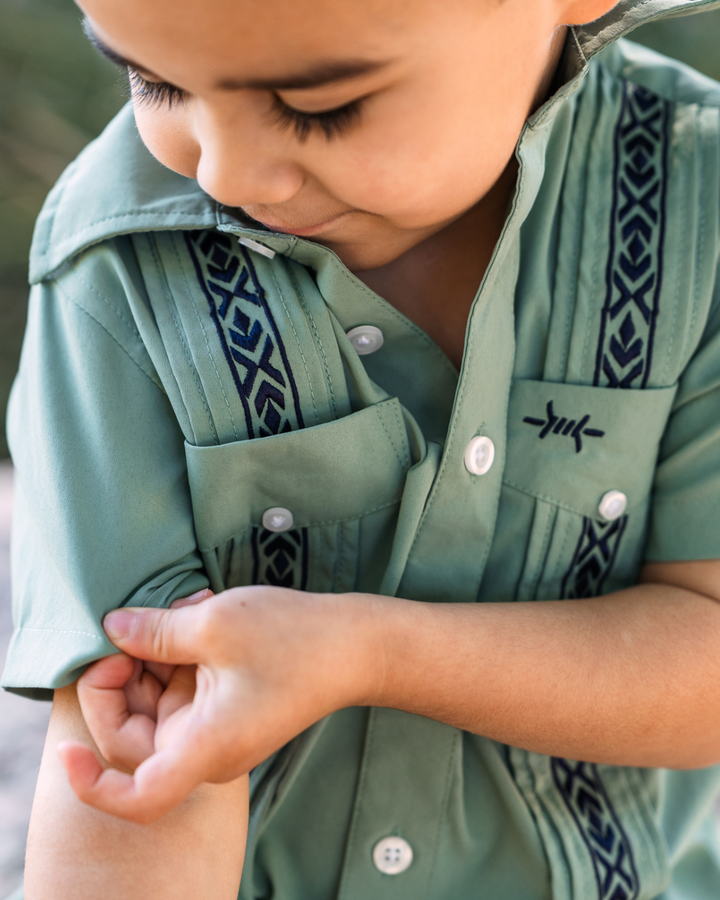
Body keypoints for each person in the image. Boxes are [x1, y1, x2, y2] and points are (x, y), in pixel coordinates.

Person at [4, 0, 720, 896]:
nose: (231, 175)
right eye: (156, 80)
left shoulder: (705, 212)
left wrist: (376, 652)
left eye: (318, 108)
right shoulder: (115, 264)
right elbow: (138, 753)